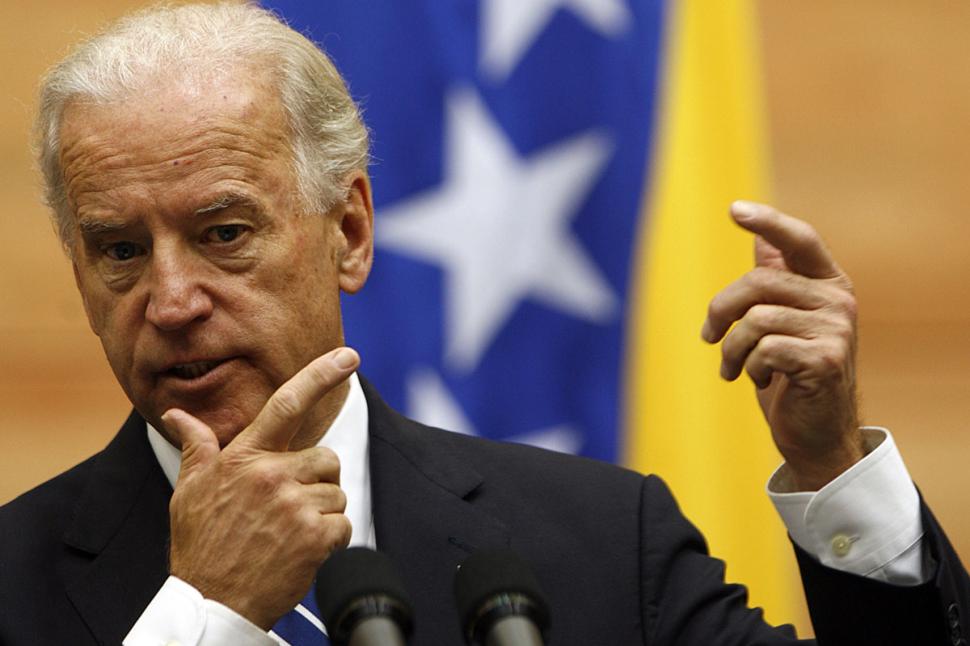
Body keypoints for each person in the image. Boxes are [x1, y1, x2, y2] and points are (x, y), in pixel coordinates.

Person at [0, 3, 965, 645]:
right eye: (120, 250)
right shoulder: (13, 581)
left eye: (223, 233)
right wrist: (204, 616)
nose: (171, 301)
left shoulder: (601, 541)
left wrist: (832, 464)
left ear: (349, 232)